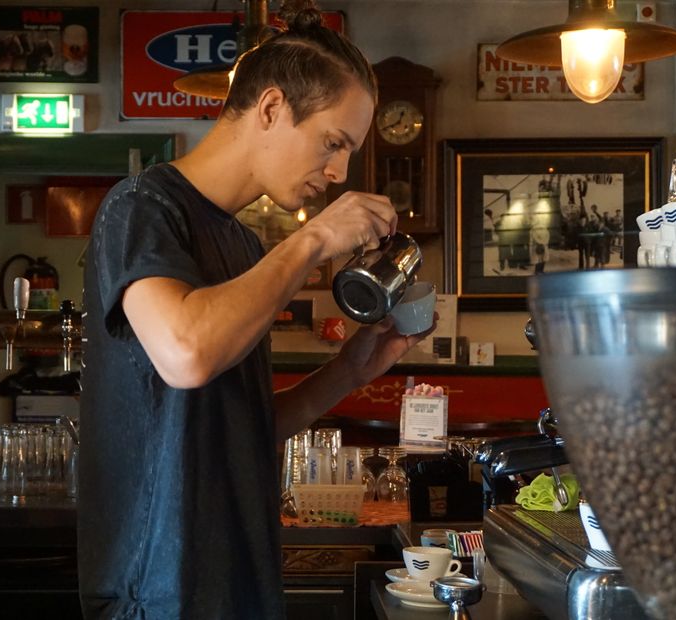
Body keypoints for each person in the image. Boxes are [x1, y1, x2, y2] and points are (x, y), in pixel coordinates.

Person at [78, 2, 433, 618]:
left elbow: (242, 430)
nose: (340, 170)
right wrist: (313, 239)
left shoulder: (244, 245)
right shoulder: (140, 208)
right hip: (160, 588)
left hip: (236, 576)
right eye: (333, 142)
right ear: (271, 109)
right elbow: (187, 354)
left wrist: (349, 372)